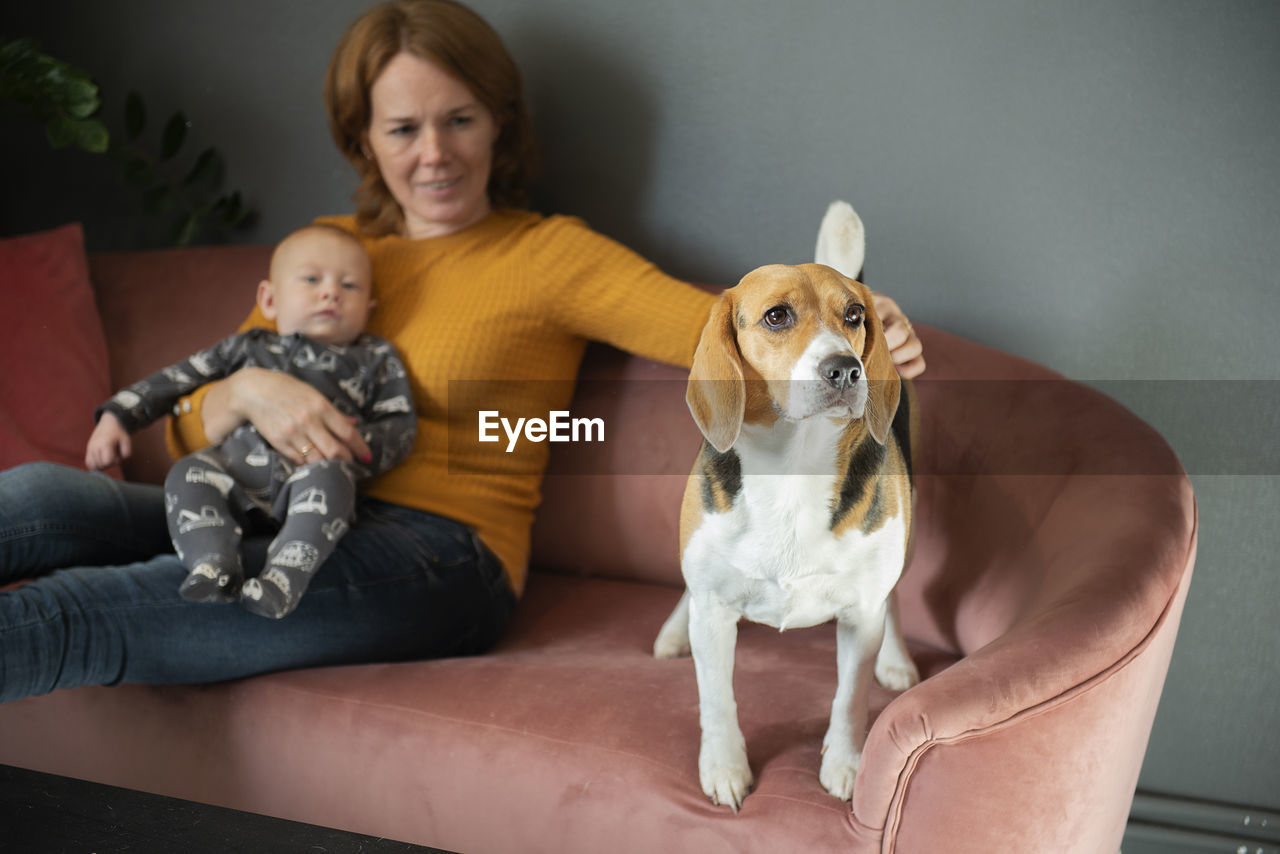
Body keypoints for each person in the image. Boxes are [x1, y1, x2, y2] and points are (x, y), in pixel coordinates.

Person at [0, 0, 924, 704]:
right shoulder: (326, 254)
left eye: (460, 120)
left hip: (443, 560)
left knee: (74, 612)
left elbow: (723, 331)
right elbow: (185, 438)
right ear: (363, 138)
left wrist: (854, 329)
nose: (434, 154)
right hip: (267, 509)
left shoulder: (550, 253)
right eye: (403, 128)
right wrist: (243, 392)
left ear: (501, 125)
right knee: (38, 500)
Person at [85, 225, 416, 619]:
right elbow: (176, 379)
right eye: (312, 280)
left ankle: (284, 578)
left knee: (331, 481)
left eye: (350, 286)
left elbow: (400, 426)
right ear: (270, 299)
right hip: (234, 472)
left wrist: (352, 446)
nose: (331, 292)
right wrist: (116, 416)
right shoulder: (247, 347)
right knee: (188, 473)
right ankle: (212, 561)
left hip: (312, 477)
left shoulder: (375, 356)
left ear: (370, 310)